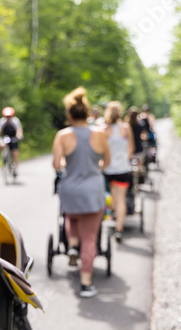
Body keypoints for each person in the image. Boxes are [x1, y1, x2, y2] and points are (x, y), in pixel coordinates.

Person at [52, 86, 110, 298]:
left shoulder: (62, 135)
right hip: (93, 190)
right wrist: (94, 168)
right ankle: (86, 284)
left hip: (70, 190)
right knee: (91, 237)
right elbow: (107, 162)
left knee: (71, 216)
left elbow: (57, 164)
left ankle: (72, 247)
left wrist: (69, 165)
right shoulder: (99, 134)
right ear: (88, 114)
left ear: (69, 115)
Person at [103, 101, 134, 243]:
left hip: (108, 169)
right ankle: (119, 229)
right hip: (122, 169)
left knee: (111, 196)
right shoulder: (126, 128)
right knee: (121, 199)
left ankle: (112, 214)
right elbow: (131, 149)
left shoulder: (104, 129)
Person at [0, 107, 23, 176]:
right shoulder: (2, 121)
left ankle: (15, 169)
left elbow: (19, 131)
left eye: (9, 116)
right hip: (5, 138)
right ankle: (4, 156)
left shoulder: (16, 121)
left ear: (12, 116)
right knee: (2, 144)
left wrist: (19, 136)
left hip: (14, 138)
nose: (8, 118)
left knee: (15, 154)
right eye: (6, 116)